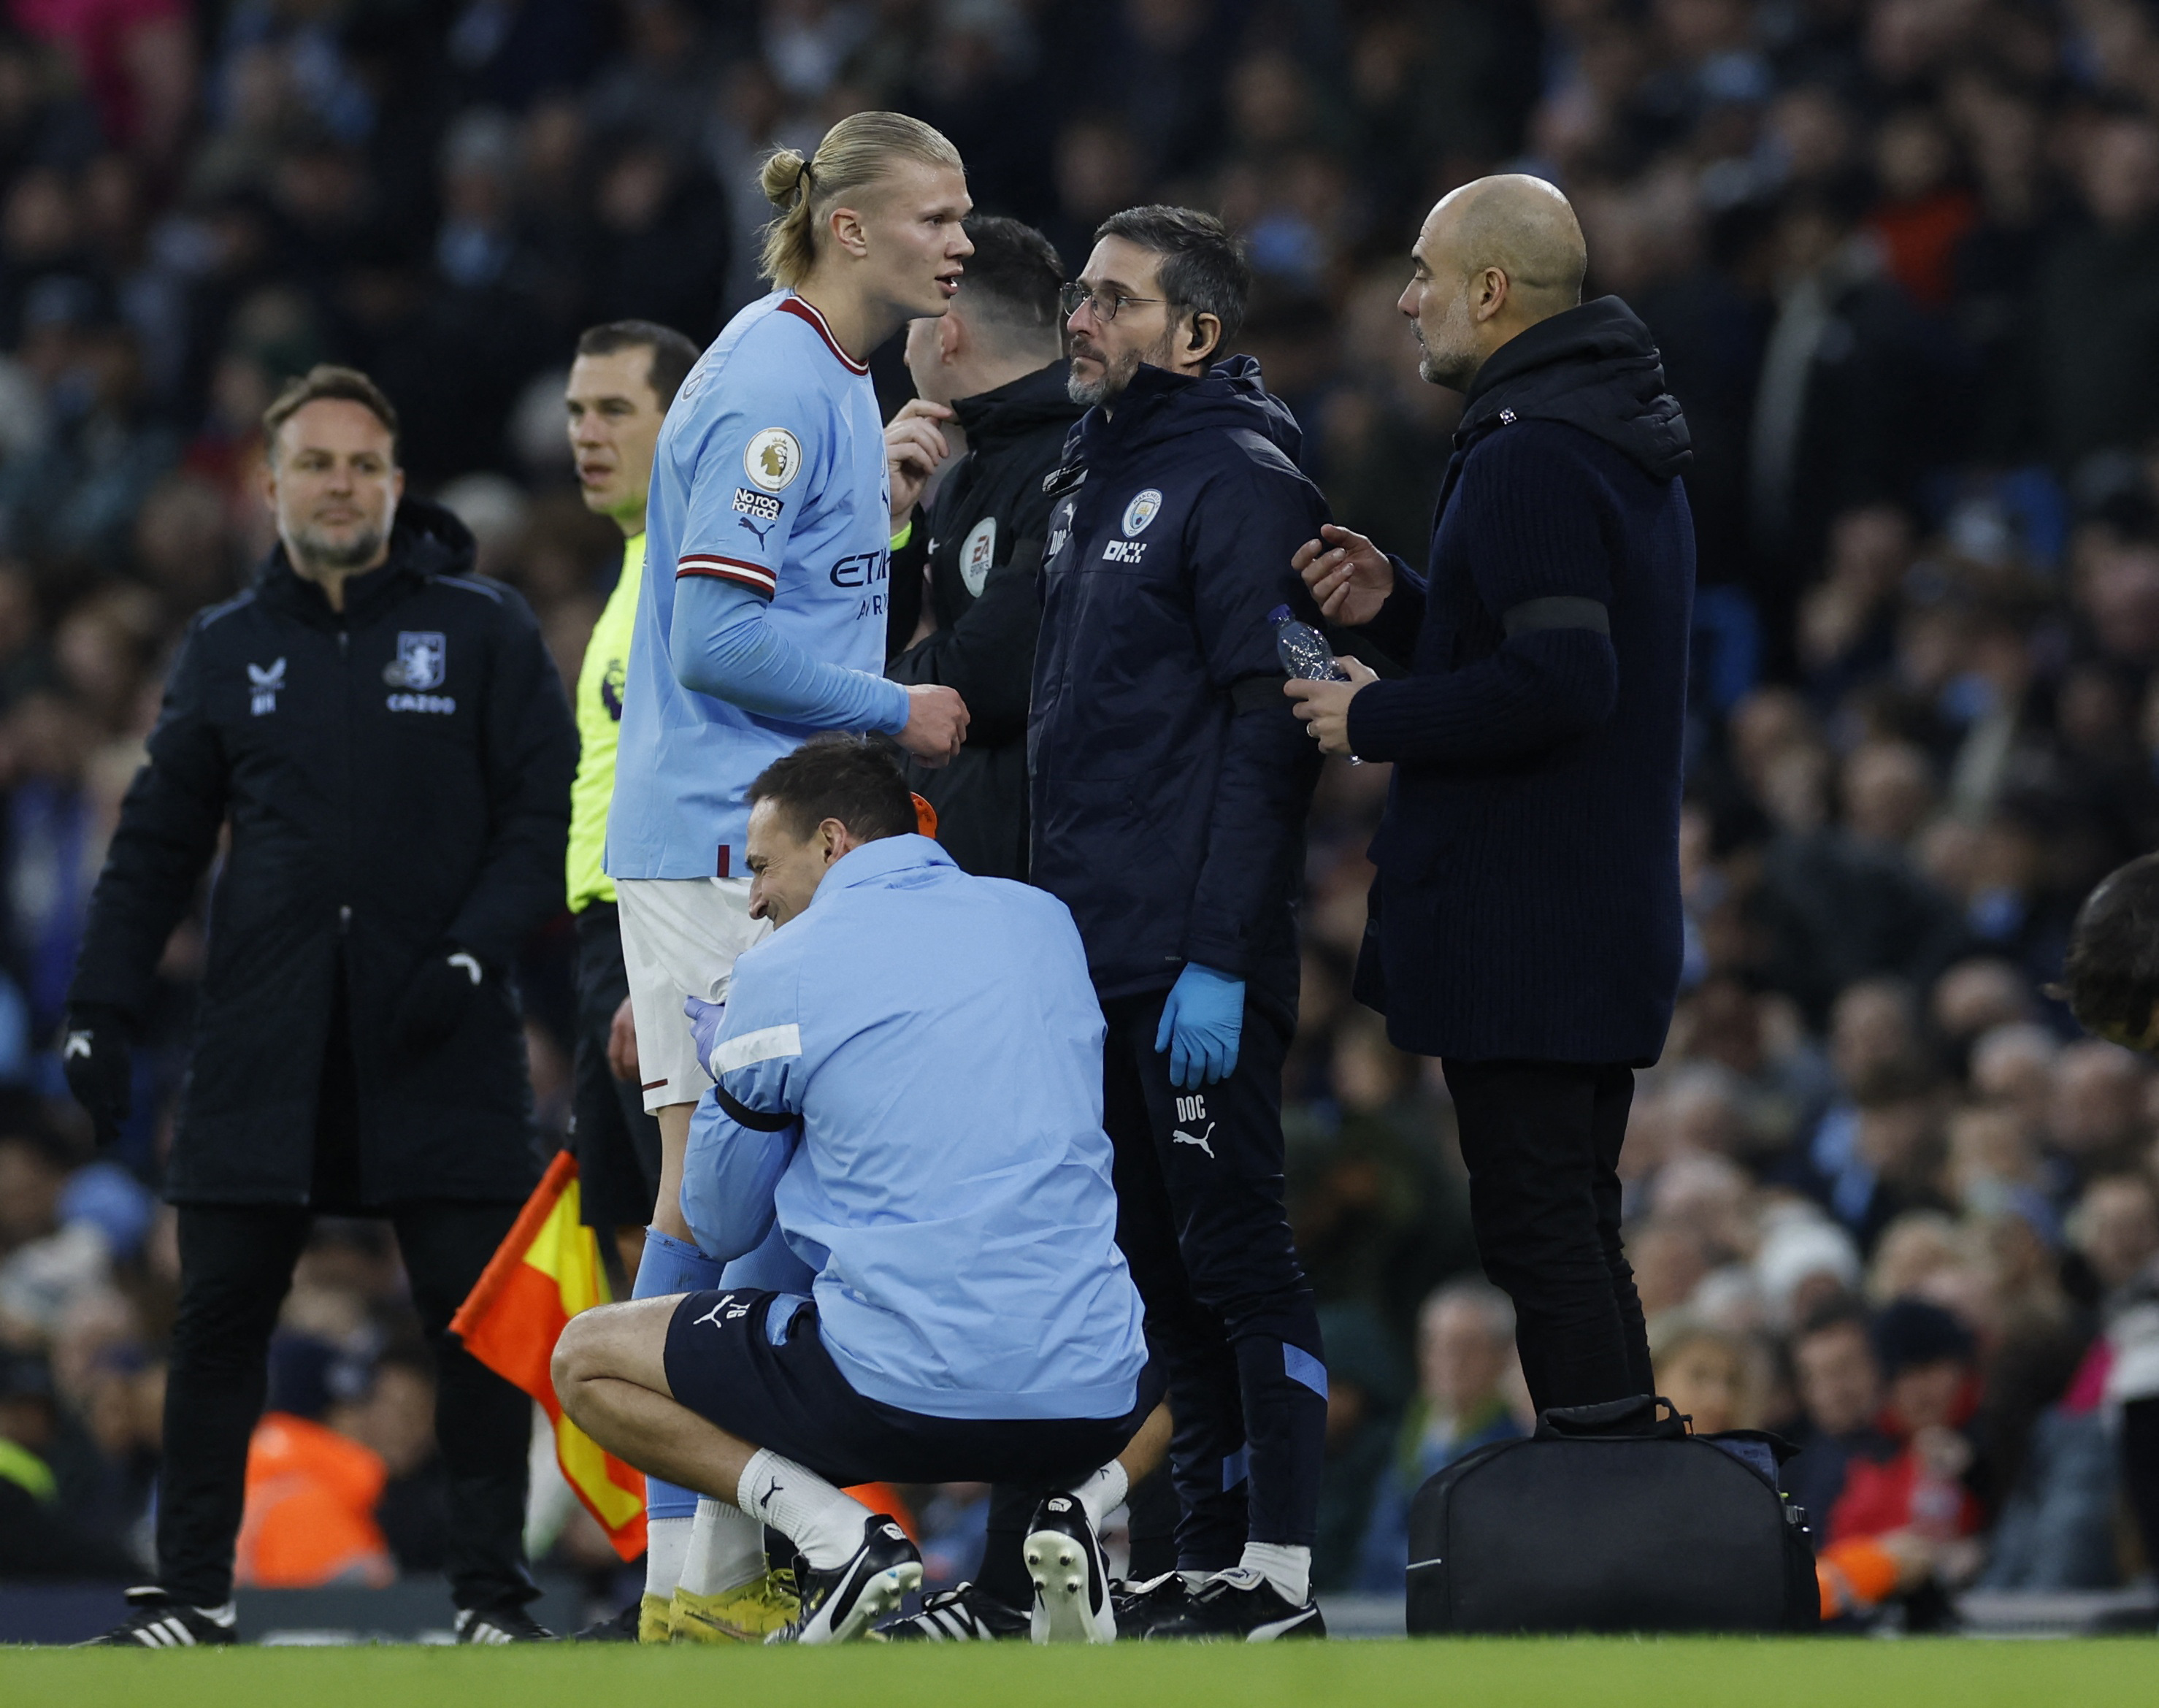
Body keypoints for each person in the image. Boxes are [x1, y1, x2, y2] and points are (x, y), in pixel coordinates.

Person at [61, 364, 578, 1646]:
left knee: (472, 1323)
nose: (339, 483)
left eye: (362, 463)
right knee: (216, 1320)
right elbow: (155, 844)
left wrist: (470, 952)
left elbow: (543, 808)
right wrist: (101, 1005)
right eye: (315, 462)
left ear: (395, 484)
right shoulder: (227, 647)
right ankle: (189, 1592)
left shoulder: (482, 627)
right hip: (263, 1038)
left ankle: (491, 1596)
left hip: (441, 1029)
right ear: (272, 483)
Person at [600, 110, 973, 1631]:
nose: (959, 240)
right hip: (714, 841)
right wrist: (903, 709)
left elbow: (781, 594)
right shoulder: (770, 380)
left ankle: (699, 1569)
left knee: (743, 1205)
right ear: (849, 228)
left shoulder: (822, 377)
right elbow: (715, 637)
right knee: (717, 1199)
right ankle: (685, 1572)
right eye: (935, 215)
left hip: (733, 830)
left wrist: (866, 511)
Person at [554, 737, 1154, 1645]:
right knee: (1215, 1316)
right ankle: (1078, 1507)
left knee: (585, 1357)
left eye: (760, 865)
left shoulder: (780, 970)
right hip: (1090, 1401)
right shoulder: (1043, 921)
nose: (752, 896)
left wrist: (735, 1074)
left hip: (895, 1399)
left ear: (831, 843)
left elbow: (717, 1222)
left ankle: (835, 1535)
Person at [1288, 175, 1695, 1418]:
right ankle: (1630, 1510)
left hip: (1527, 924)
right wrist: (1410, 606)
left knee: (1540, 1233)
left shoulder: (1528, 453)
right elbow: (1557, 645)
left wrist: (1373, 715)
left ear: (1489, 289)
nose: (1404, 300)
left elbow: (1563, 678)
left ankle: (1612, 1521)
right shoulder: (1606, 434)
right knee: (1571, 1224)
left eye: (1422, 273)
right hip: (1593, 910)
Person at [1028, 205, 1332, 1640]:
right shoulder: (1089, 481)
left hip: (1186, 958)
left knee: (1236, 1255)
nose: (1077, 316)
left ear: (1194, 333)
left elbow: (1268, 735)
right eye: (1079, 294)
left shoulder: (1236, 480)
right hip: (1091, 960)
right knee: (1157, 1276)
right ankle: (1207, 1556)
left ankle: (1279, 1565)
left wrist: (1219, 949)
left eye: (1110, 298)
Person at [562, 320, 700, 1300]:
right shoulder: (637, 561)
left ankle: (728, 1460)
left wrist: (660, 974)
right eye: (576, 410)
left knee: (683, 1251)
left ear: (681, 420)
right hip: (603, 938)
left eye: (615, 409)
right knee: (626, 1241)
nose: (585, 431)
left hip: (653, 930)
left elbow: (718, 770)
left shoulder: (694, 568)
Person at [882, 215, 1080, 879]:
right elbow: (884, 640)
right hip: (967, 845)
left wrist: (876, 692)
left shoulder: (1075, 459)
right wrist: (894, 528)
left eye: (910, 326)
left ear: (946, 332)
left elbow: (992, 677)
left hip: (1041, 865)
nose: (902, 349)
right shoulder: (967, 471)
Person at [1352, 1281, 1524, 1594]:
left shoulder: (1513, 1448)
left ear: (1501, 1357)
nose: (1451, 1362)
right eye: (1437, 1345)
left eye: (1467, 1347)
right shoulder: (1408, 1437)